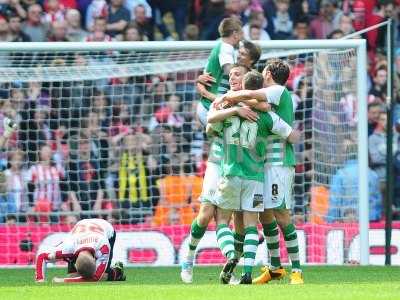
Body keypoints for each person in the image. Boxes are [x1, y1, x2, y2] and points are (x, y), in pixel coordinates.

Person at [214, 59, 304, 284]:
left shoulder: (277, 90)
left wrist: (226, 97)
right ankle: (274, 267)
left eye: (264, 72)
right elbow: (256, 102)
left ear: (269, 73)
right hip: (262, 164)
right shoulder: (266, 98)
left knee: (281, 215)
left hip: (278, 163)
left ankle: (297, 270)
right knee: (265, 215)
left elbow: (249, 98)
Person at [180, 18, 243, 284]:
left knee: (225, 219)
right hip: (218, 161)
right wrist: (218, 98)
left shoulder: (251, 97)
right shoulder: (220, 100)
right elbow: (210, 122)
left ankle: (232, 266)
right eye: (231, 76)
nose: (233, 77)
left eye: (238, 75)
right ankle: (188, 259)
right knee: (206, 214)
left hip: (238, 166)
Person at [35, 218, 126, 283]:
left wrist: (63, 280)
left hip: (106, 228)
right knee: (74, 276)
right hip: (82, 227)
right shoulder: (67, 248)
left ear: (95, 260)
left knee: (103, 276)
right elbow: (42, 257)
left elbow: (96, 278)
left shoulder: (104, 248)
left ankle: (117, 271)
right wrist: (40, 279)